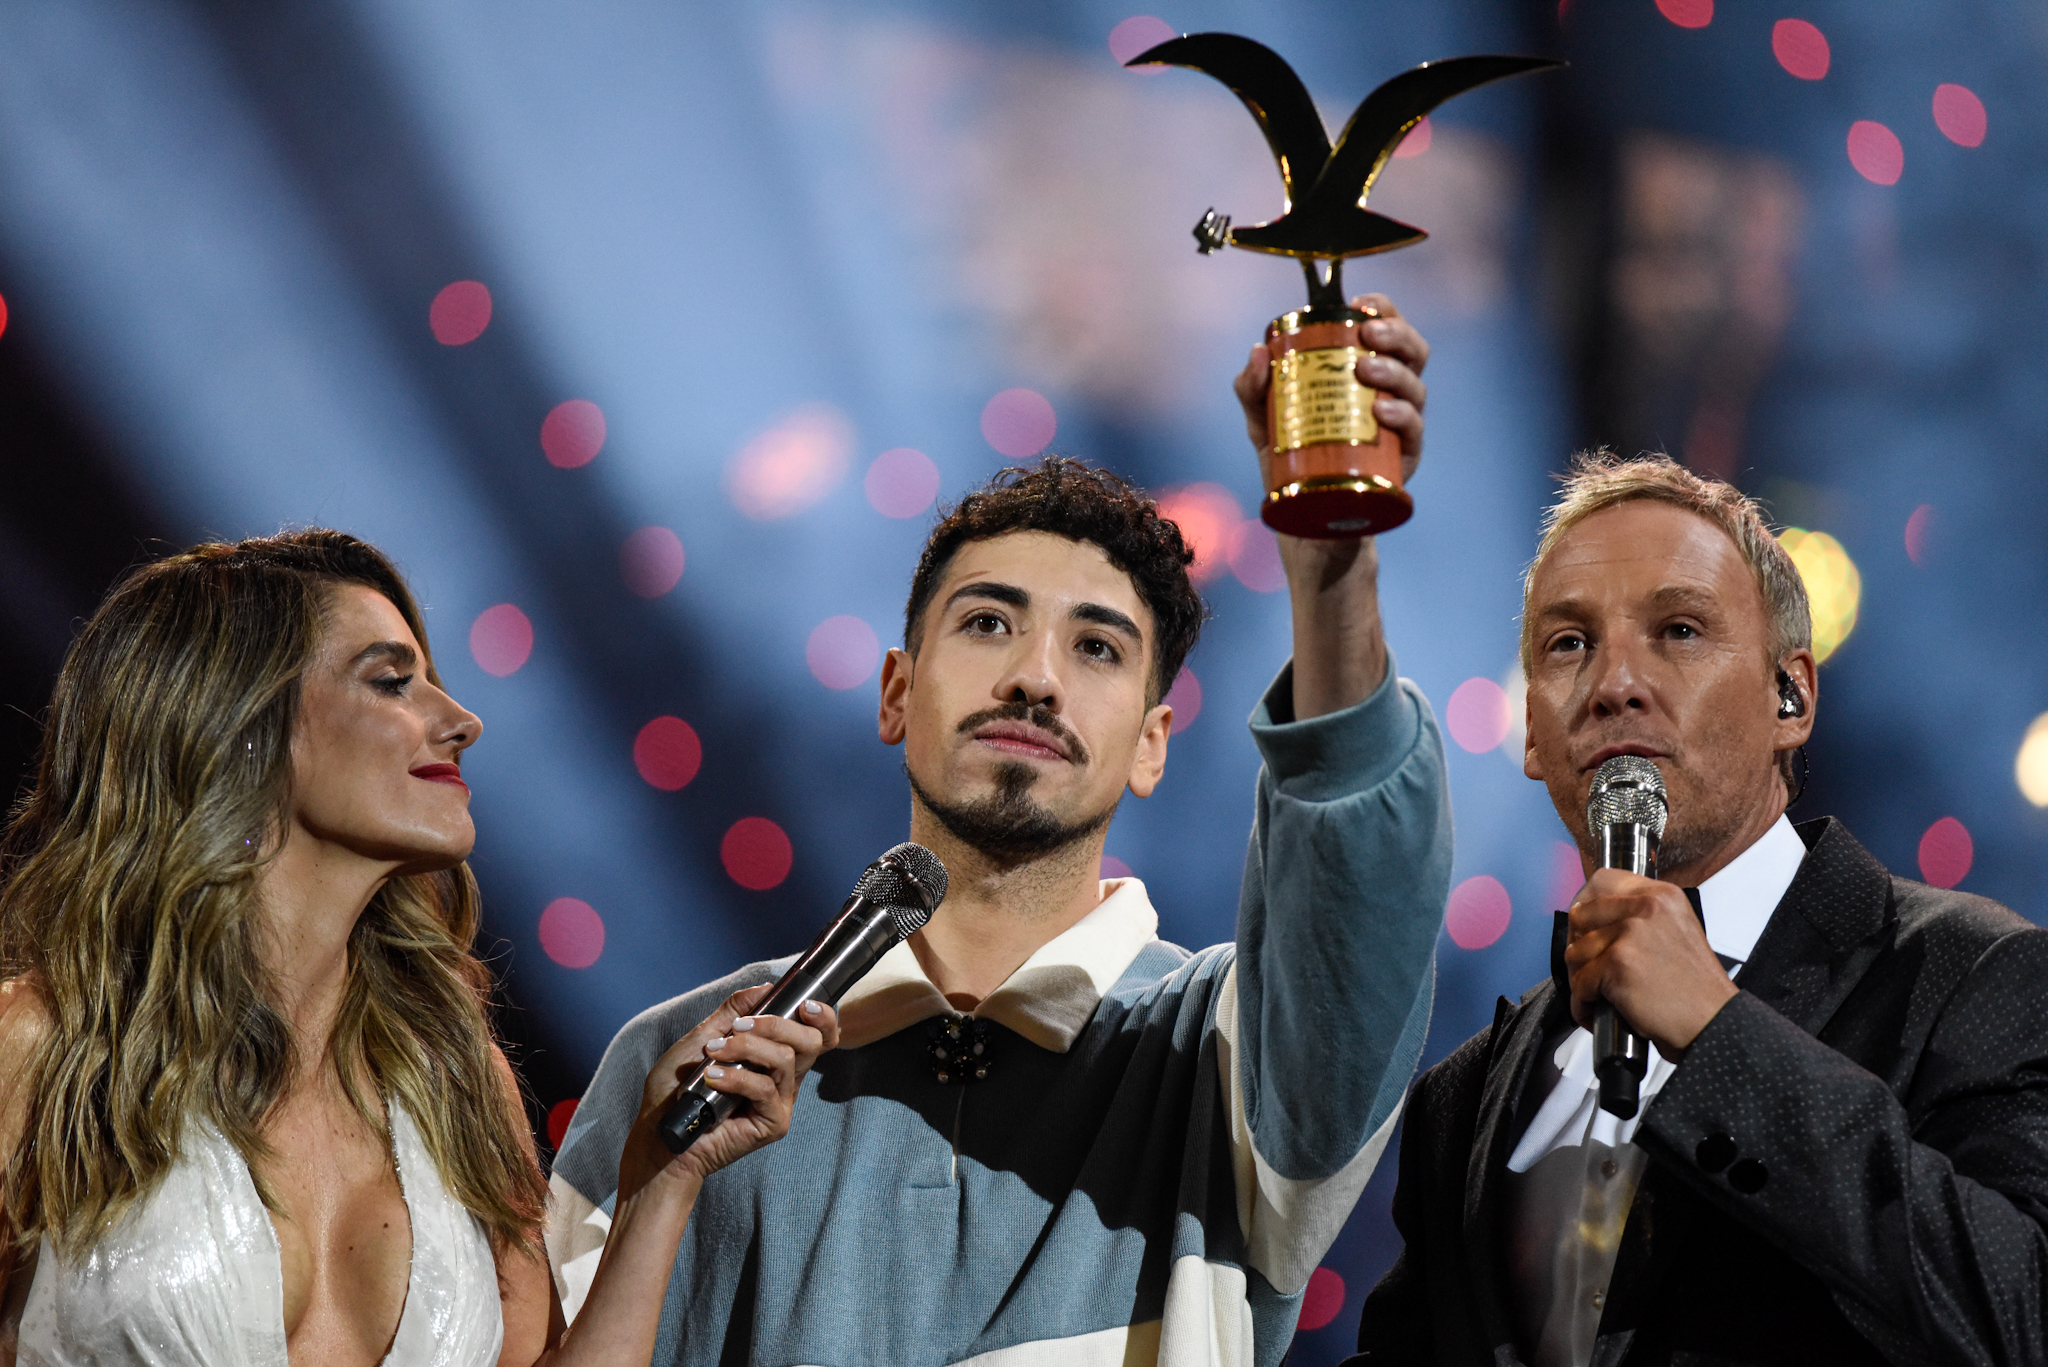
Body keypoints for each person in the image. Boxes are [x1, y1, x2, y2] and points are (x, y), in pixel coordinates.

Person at [548, 296, 1453, 1367]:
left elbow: (1354, 875)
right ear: (896, 692)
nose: (1033, 675)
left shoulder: (1230, 1054)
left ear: (1153, 743)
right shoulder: (685, 1056)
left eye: (1099, 649)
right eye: (987, 623)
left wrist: (1328, 561)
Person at [0, 530, 838, 1366]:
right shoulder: (44, 1047)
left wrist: (662, 1175)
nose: (461, 720)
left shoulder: (450, 1074)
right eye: (393, 682)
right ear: (240, 726)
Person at [1347, 454, 2048, 1367]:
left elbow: (2025, 1314)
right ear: (1530, 732)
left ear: (1789, 695)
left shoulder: (1974, 975)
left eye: (1678, 629)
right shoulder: (1465, 1093)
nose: (1614, 683)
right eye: (1569, 644)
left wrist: (1718, 1035)